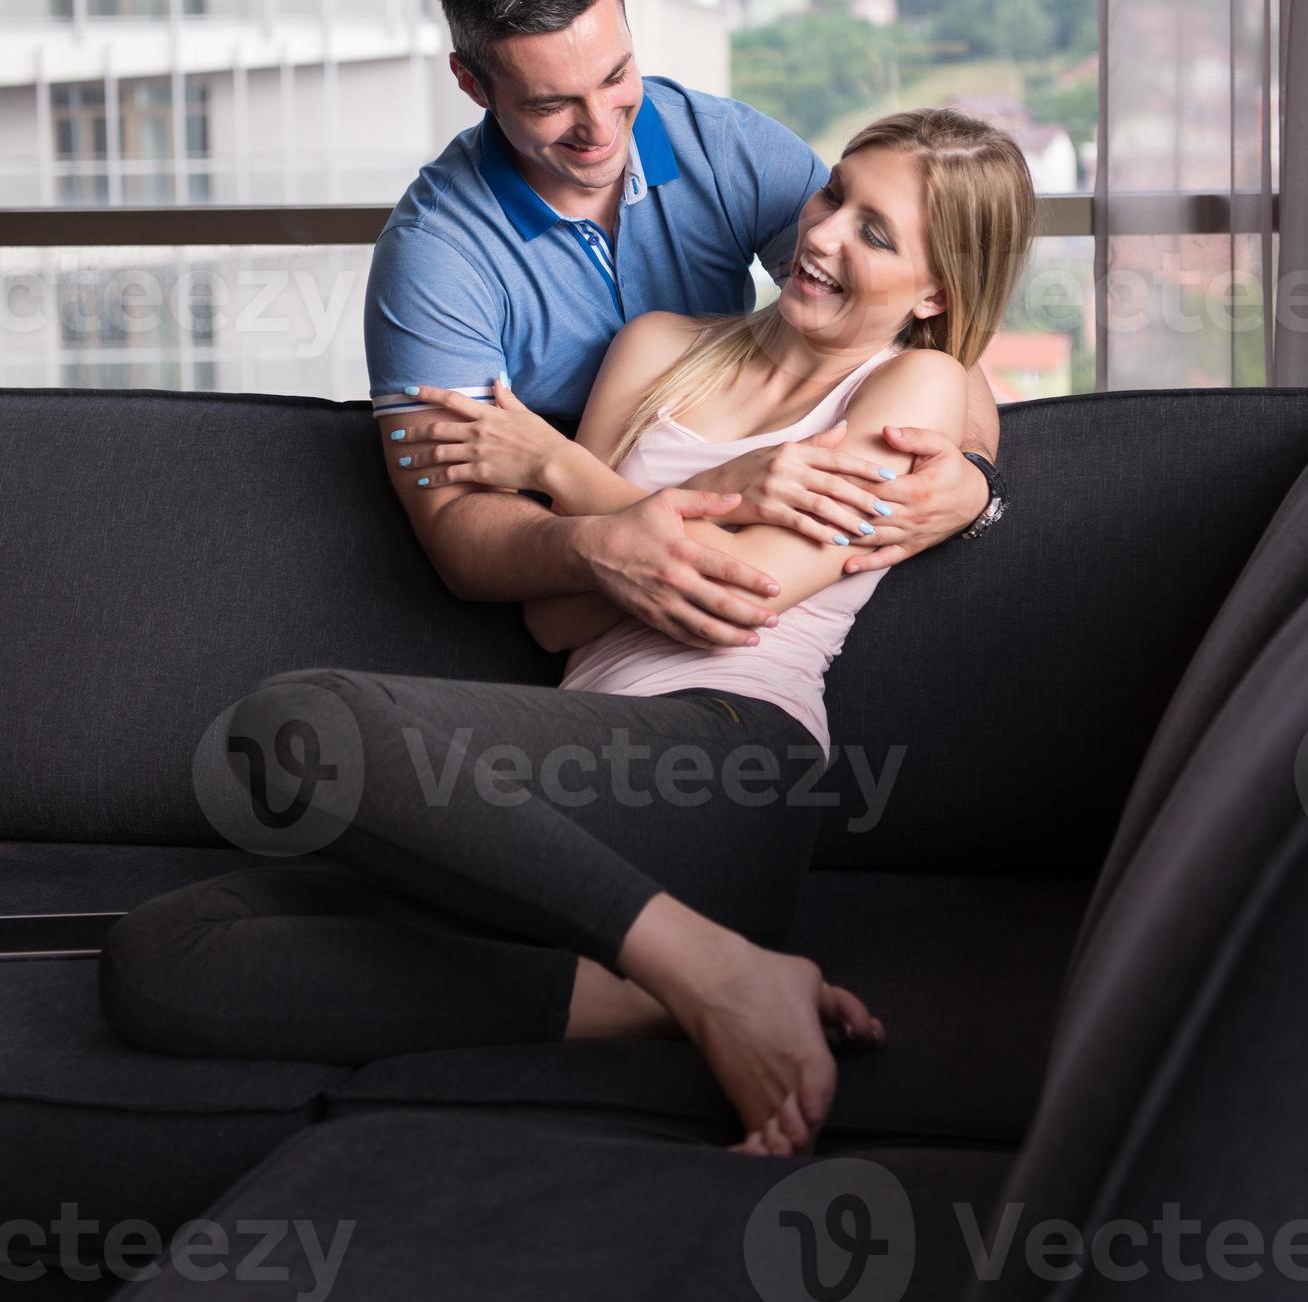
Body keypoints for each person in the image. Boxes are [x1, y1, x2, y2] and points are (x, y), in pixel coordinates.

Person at [98, 105, 1037, 1160]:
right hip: (565, 817)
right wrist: (686, 506)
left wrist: (553, 467)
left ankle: (709, 966)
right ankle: (682, 986)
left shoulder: (916, 385)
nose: (823, 235)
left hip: (725, 773)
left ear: (935, 291)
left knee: (302, 725)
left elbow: (741, 589)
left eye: (877, 231)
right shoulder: (659, 350)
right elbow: (559, 608)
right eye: (833, 195)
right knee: (162, 955)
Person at [363, 0, 1012, 657]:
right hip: (562, 598)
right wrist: (604, 547)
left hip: (728, 591)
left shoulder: (730, 151)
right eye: (550, 104)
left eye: (615, 76)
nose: (601, 128)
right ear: (473, 84)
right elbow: (461, 536)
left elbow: (911, 332)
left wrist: (973, 484)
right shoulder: (434, 258)